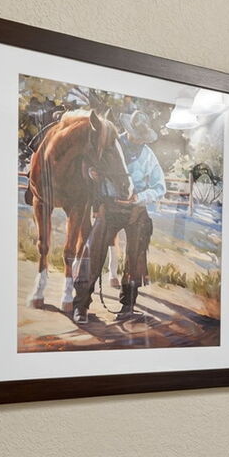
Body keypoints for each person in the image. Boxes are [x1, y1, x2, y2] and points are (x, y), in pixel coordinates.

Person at [69, 109, 162, 323]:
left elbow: (160, 186)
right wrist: (91, 173)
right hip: (110, 206)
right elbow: (88, 161)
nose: (138, 140)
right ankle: (81, 305)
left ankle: (128, 305)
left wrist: (140, 197)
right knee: (93, 250)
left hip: (136, 209)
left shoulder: (148, 155)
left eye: (141, 136)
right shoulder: (110, 143)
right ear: (128, 131)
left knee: (136, 254)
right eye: (135, 135)